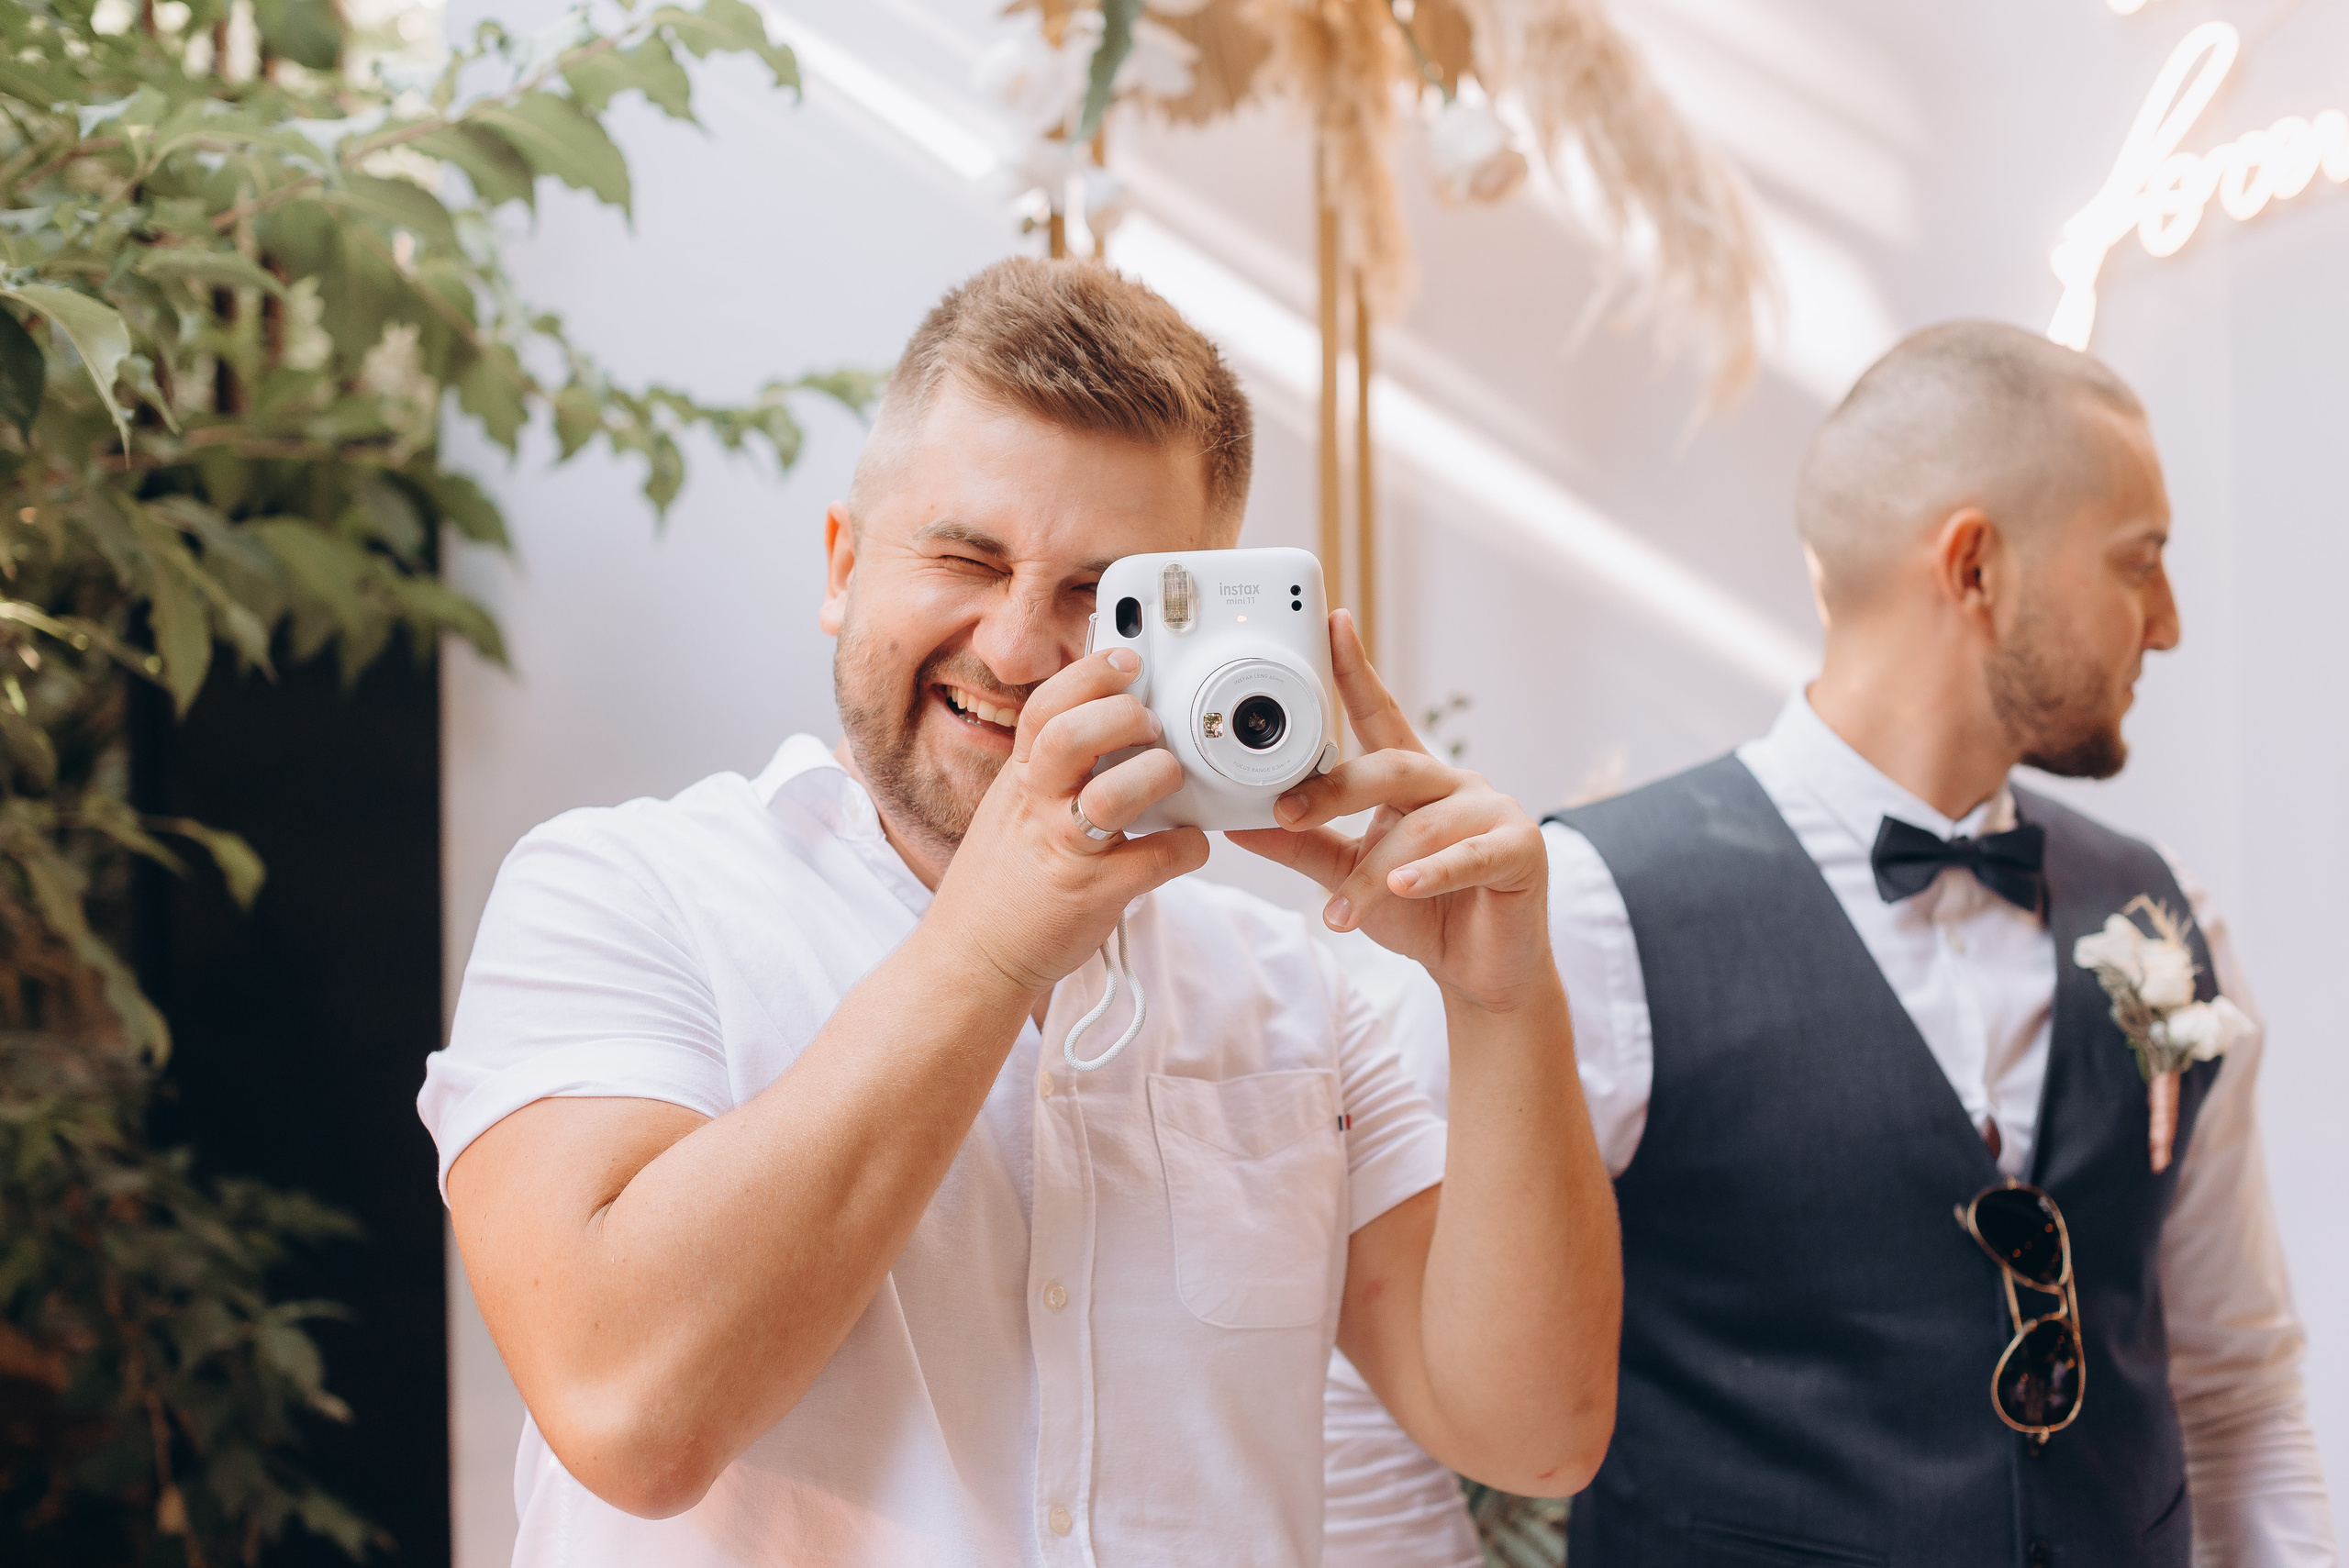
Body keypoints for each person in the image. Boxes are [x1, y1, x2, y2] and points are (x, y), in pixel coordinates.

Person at [418, 257, 1621, 1567]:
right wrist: (991, 947)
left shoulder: (1297, 987)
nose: (1010, 647)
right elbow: (628, 1413)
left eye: (1097, 597)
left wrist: (1505, 1006)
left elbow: (1532, 1430)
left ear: (1189, 627)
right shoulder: (619, 893)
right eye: (964, 556)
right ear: (840, 564)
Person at [1323, 321, 2336, 1567]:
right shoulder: (1578, 912)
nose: (2168, 623)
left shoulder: (2169, 914)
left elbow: (2236, 1385)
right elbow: (1374, 1378)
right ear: (1975, 568)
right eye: (2140, 563)